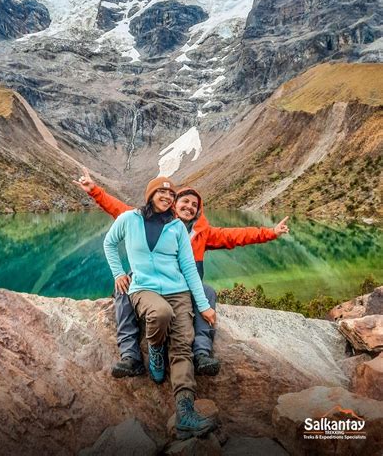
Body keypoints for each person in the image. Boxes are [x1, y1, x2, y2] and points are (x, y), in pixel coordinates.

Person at [74, 167, 290, 377]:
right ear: (174, 204)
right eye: (184, 201)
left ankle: (202, 353)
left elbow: (237, 235)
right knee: (123, 287)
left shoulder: (203, 233)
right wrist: (94, 191)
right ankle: (131, 356)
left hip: (181, 287)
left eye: (194, 205)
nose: (189, 207)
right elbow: (117, 208)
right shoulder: (145, 219)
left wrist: (271, 232)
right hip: (149, 284)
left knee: (207, 293)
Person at [103, 176, 217, 439]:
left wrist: (202, 305)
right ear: (151, 194)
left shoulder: (176, 227)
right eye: (162, 193)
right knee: (160, 313)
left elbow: (188, 267)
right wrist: (119, 273)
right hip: (144, 287)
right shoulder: (130, 219)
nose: (167, 197)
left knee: (182, 345)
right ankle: (154, 348)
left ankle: (185, 412)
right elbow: (109, 243)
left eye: (170, 194)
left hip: (177, 290)